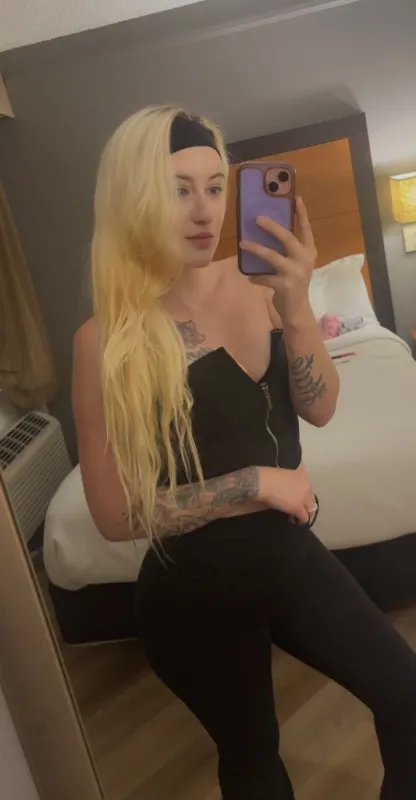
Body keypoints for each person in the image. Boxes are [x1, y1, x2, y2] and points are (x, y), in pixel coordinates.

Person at [73, 105, 416, 800]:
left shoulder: (261, 284)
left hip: (287, 558)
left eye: (215, 186)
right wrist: (255, 481)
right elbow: (113, 515)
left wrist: (295, 305)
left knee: (406, 693)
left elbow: (320, 407)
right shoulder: (106, 339)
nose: (205, 211)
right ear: (134, 199)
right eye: (178, 190)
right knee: (253, 758)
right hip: (192, 596)